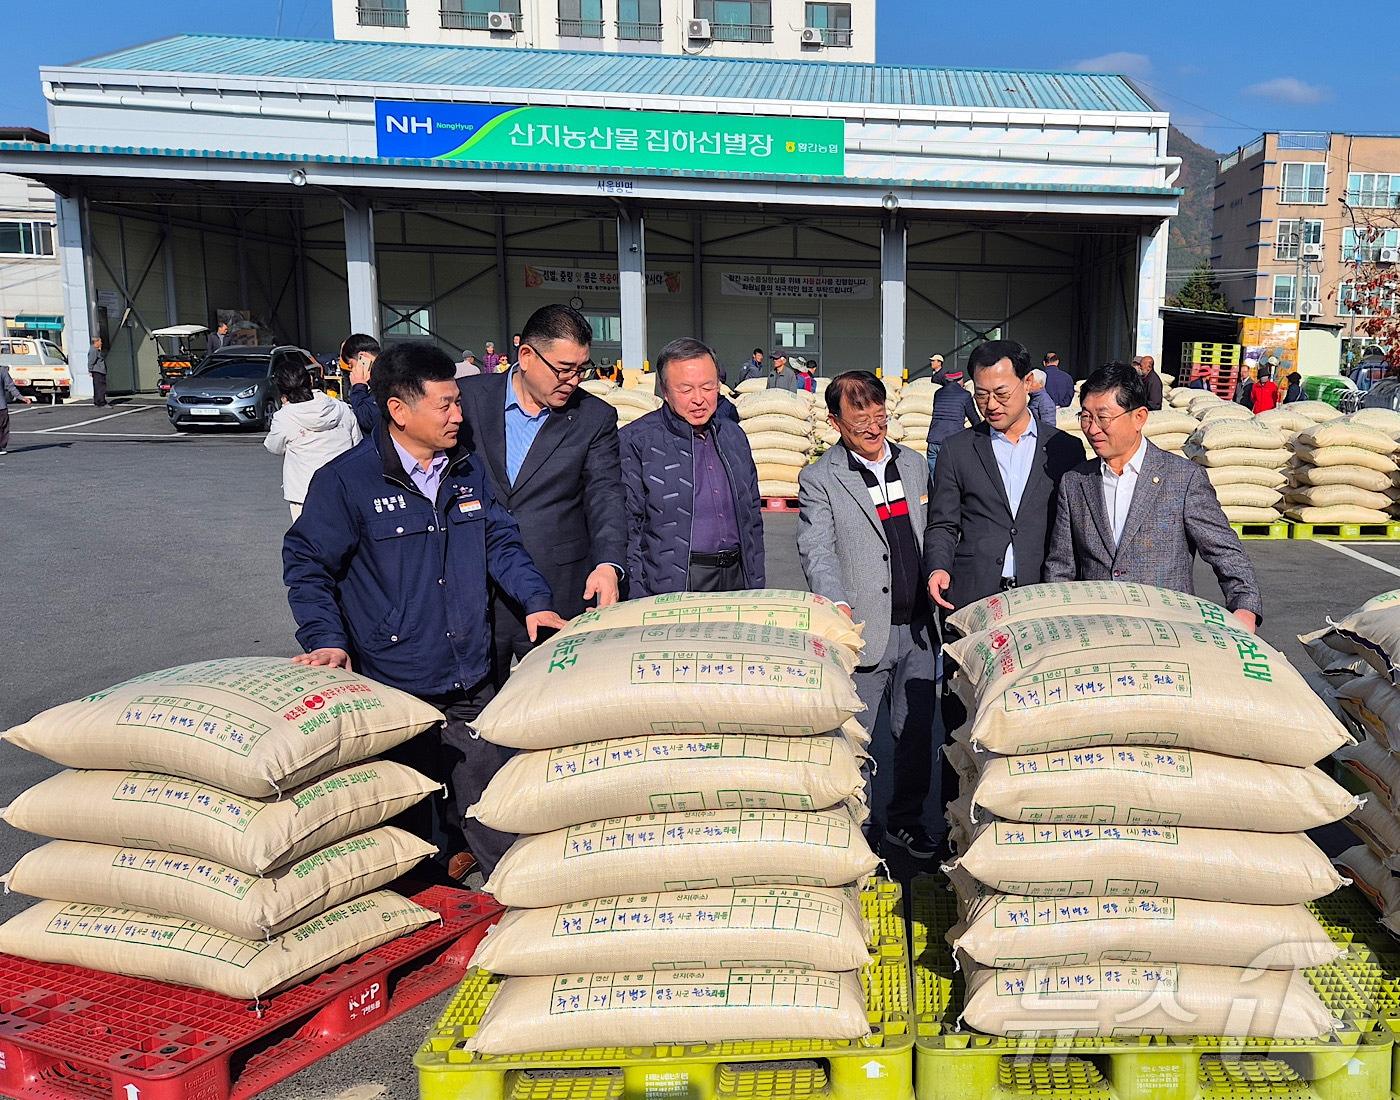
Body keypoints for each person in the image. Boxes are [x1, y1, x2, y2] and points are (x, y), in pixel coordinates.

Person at [283, 342, 566, 877]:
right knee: (405, 822)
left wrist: (536, 601)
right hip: (396, 682)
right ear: (398, 410)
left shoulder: (465, 471)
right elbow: (307, 562)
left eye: (457, 402)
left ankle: (506, 904)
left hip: (471, 676)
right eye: (445, 405)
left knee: (490, 806)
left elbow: (500, 542)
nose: (459, 416)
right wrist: (325, 638)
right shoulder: (348, 482)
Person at [352, 305, 627, 681]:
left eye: (582, 369)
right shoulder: (466, 400)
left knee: (553, 701)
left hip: (555, 586)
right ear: (526, 356)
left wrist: (608, 564)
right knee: (475, 704)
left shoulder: (594, 417)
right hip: (470, 585)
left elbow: (606, 496)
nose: (573, 380)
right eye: (564, 369)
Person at [797, 371, 937, 859]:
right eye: (859, 415)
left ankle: (906, 821)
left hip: (919, 628)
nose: (873, 423)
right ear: (836, 421)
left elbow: (934, 533)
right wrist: (834, 603)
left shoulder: (914, 465)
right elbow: (817, 548)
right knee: (856, 739)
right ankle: (858, 826)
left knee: (915, 732)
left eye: (878, 411)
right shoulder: (822, 478)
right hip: (863, 628)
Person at [1043, 362, 1262, 630]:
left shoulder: (1182, 478)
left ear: (1139, 417)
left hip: (1167, 632)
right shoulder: (1076, 482)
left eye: (1103, 417)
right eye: (1086, 417)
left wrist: (1244, 606)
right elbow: (1061, 566)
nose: (1092, 428)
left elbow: (1224, 550)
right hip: (1098, 632)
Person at [924, 338, 1085, 613]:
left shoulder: (1064, 449)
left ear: (1027, 383)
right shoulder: (957, 449)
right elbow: (943, 523)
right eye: (982, 395)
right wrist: (938, 567)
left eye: (1001, 394)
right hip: (973, 593)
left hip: (1040, 594)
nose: (991, 405)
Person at [620, 337, 764, 595]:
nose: (699, 399)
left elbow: (753, 516)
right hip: (676, 581)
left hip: (736, 577)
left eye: (708, 387)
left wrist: (755, 580)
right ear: (664, 391)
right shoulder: (637, 441)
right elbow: (629, 528)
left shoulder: (733, 437)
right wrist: (637, 596)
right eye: (686, 390)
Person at [264, 359, 362, 520]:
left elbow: (273, 446)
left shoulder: (285, 417)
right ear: (310, 380)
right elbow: (356, 445)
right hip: (344, 489)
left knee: (309, 542)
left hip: (303, 492)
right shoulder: (341, 407)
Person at [924, 363, 979, 478]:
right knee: (953, 479)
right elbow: (974, 420)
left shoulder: (938, 393)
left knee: (935, 480)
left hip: (933, 441)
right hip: (952, 442)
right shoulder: (965, 395)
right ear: (960, 380)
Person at [0, 362, 36, 455]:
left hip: (1, 406)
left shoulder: (2, 371)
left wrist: (22, 397)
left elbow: (10, 386)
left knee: (3, 427)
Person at [342, 333, 382, 415]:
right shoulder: (391, 371)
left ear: (362, 357)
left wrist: (358, 386)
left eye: (351, 365)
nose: (352, 371)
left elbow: (366, 418)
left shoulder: (384, 382)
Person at [87, 337, 108, 407]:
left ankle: (97, 401)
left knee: (98, 387)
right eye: (100, 341)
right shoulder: (94, 350)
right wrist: (90, 370)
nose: (101, 343)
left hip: (99, 371)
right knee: (100, 387)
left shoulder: (97, 350)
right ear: (96, 342)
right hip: (98, 371)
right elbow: (91, 361)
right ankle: (101, 402)